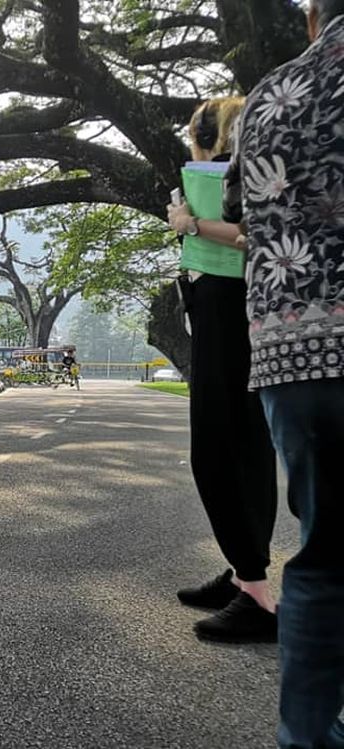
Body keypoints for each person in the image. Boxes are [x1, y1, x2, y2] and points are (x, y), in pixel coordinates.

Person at [223, 2, 344, 744]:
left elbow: (237, 207)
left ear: (310, 18)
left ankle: (305, 734)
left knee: (322, 558)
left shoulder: (268, 93)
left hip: (291, 353)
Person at [166, 97, 279, 642]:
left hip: (231, 307)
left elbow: (255, 235)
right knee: (241, 441)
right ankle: (244, 574)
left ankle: (255, 593)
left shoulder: (245, 174)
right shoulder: (246, 171)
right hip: (223, 306)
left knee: (221, 446)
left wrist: (191, 223)